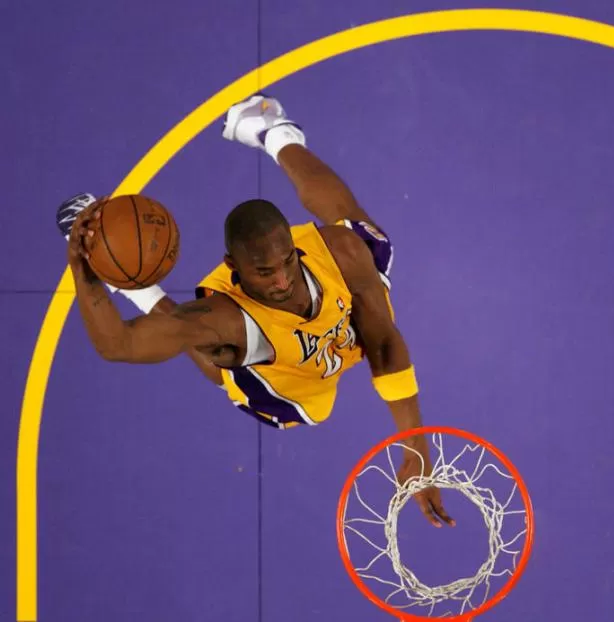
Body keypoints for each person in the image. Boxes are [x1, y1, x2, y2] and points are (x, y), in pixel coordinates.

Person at [57, 94, 454, 528]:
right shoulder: (227, 319)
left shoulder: (338, 251)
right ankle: (131, 284)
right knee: (217, 362)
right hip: (294, 375)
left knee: (354, 225)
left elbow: (382, 342)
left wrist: (415, 447)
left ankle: (273, 132)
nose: (281, 280)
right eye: (264, 272)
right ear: (235, 268)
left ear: (296, 246)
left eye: (286, 262)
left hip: (340, 312)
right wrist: (86, 272)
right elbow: (119, 345)